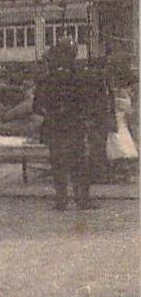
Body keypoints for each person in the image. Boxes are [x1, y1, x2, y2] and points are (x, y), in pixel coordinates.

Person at [32, 42, 111, 210]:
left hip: (54, 128)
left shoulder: (46, 80)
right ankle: (82, 200)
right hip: (75, 127)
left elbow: (37, 107)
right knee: (79, 163)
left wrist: (51, 114)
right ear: (72, 57)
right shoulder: (81, 78)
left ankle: (61, 201)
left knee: (58, 164)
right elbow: (90, 102)